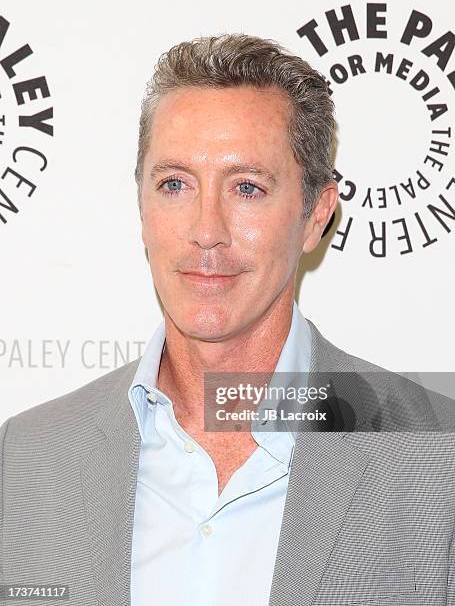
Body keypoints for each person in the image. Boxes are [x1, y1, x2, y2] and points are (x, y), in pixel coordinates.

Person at [1, 33, 455, 606]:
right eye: (174, 184)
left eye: (246, 188)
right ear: (141, 207)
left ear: (316, 214)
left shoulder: (436, 451)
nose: (206, 229)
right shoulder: (28, 457)